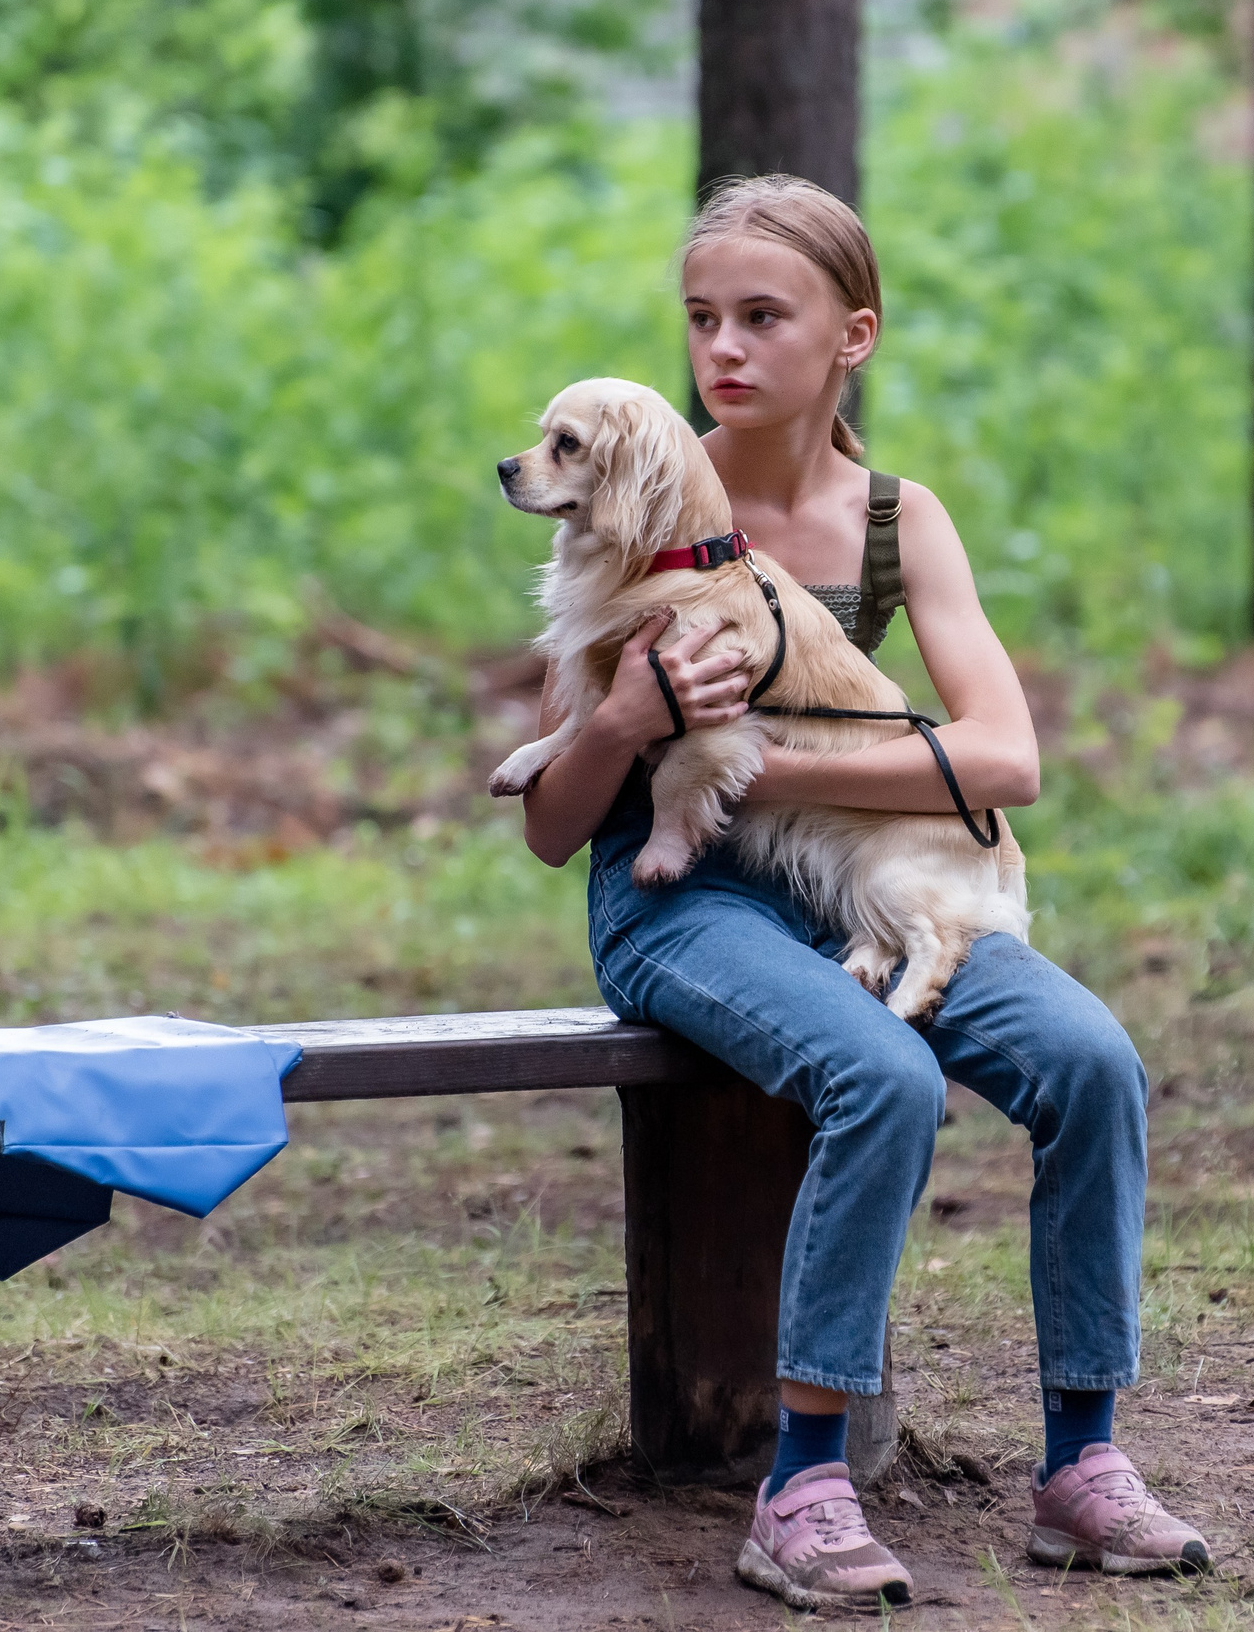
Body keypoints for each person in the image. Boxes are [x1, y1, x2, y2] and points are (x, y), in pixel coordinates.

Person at [514, 175, 1209, 1612]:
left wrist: (766, 768)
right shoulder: (632, 487)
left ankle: (1082, 1461)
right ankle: (805, 1481)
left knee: (1092, 1060)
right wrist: (628, 719)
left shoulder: (898, 521)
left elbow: (1006, 757)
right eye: (704, 317)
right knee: (882, 1075)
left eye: (764, 316)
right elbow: (554, 826)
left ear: (854, 336)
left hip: (868, 888)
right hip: (681, 903)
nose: (725, 347)